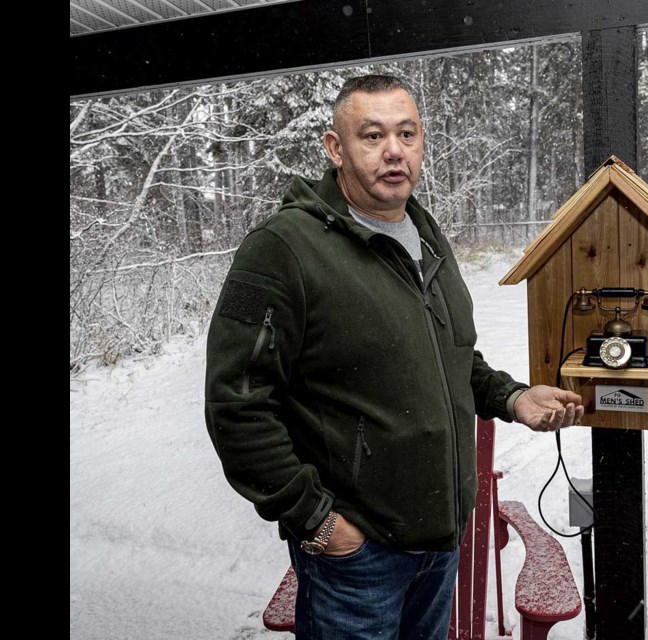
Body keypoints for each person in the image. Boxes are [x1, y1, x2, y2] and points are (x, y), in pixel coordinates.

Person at [204, 74, 584, 639]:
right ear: (336, 148)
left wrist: (512, 396)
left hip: (439, 545)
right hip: (358, 560)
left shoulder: (425, 237)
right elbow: (236, 404)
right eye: (372, 135)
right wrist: (317, 520)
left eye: (407, 134)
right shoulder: (283, 249)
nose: (393, 151)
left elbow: (453, 357)